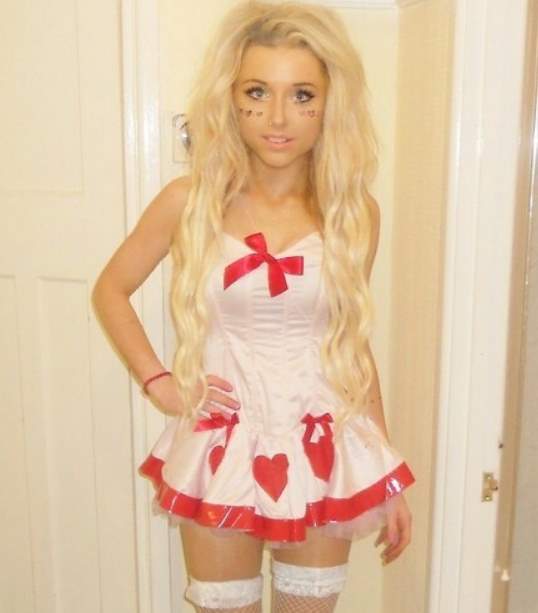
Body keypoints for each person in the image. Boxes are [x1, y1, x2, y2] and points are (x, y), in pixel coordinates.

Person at [92, 1, 416, 611]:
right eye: (257, 92)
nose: (277, 117)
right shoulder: (189, 200)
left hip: (322, 440)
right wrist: (160, 382)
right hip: (223, 443)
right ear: (231, 98)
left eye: (302, 95)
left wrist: (384, 472)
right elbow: (110, 289)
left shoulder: (354, 212)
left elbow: (352, 343)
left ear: (330, 104)